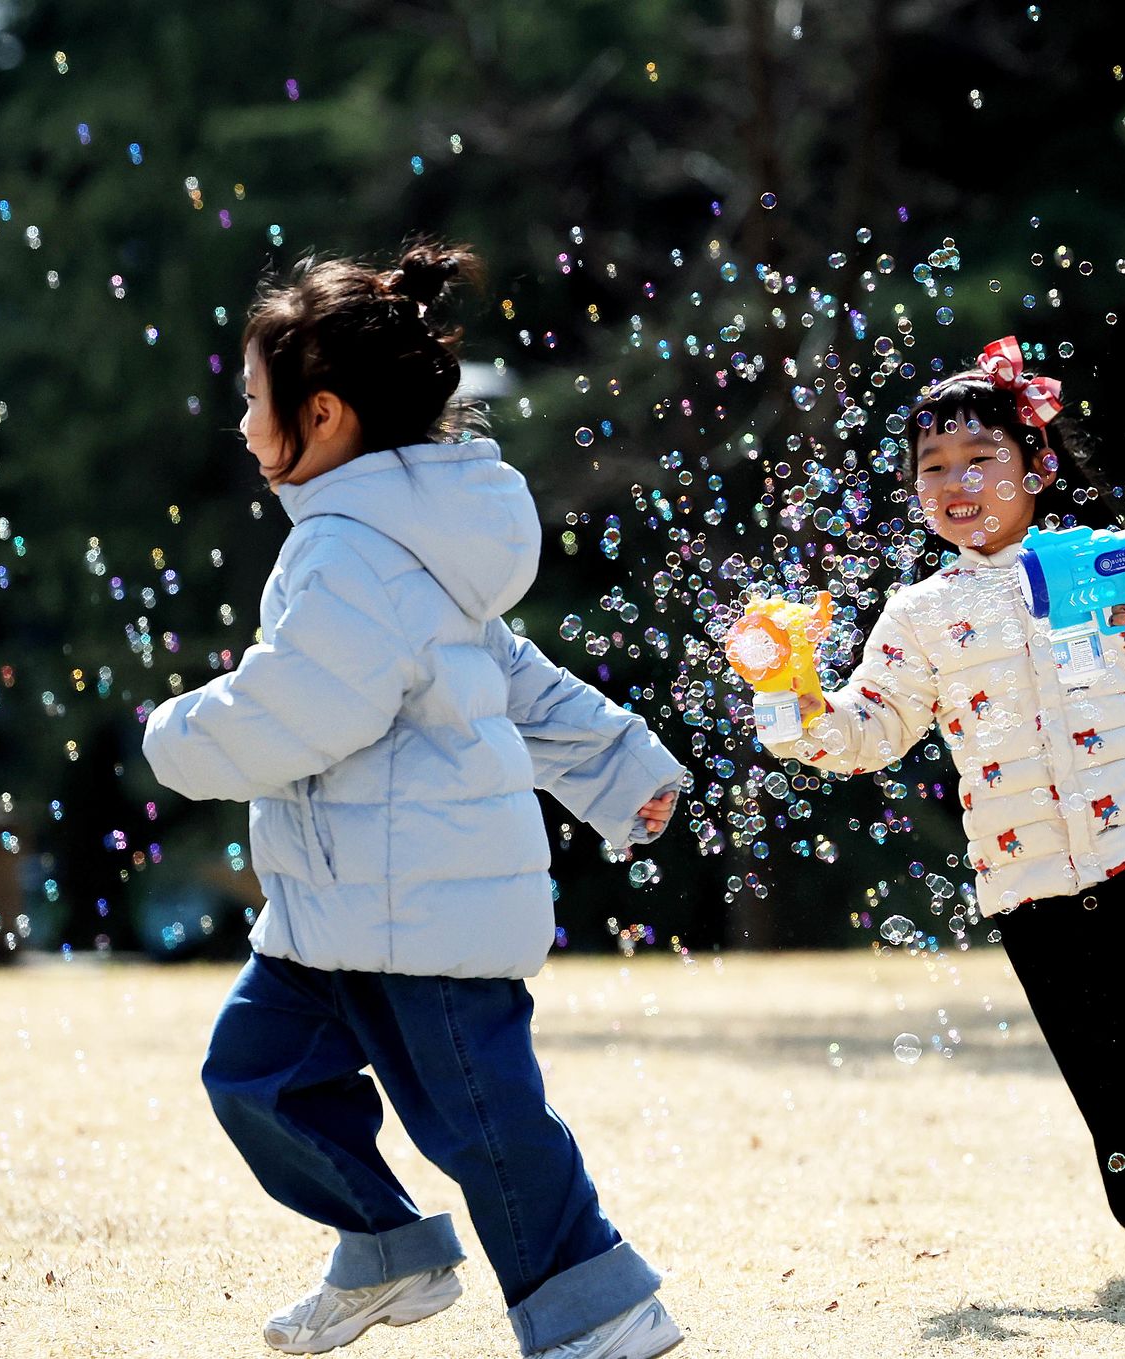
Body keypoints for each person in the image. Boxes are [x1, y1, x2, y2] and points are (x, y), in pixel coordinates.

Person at [143, 244, 687, 1359]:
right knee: (256, 1076)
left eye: (254, 402)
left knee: (483, 1124)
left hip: (421, 913)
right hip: (338, 907)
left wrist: (176, 733)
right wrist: (620, 763)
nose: (243, 427)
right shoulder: (402, 544)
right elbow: (512, 678)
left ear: (325, 415)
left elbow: (304, 707)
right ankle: (388, 1253)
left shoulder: (351, 552)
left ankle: (600, 1304)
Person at [742, 338, 1125, 1272]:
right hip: (1023, 869)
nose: (956, 483)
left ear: (1037, 466)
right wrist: (795, 706)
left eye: (981, 459)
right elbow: (872, 725)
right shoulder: (917, 614)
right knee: (1097, 1055)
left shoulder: (1102, 564)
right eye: (933, 468)